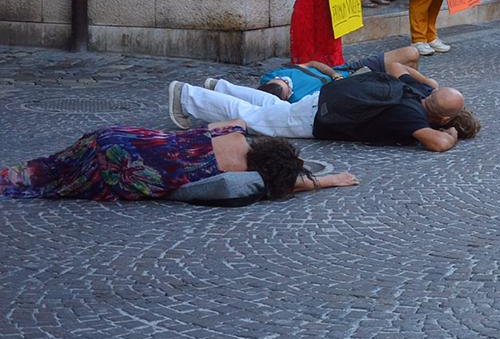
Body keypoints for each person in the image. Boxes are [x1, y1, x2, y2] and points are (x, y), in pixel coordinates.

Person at [1, 124, 357, 204]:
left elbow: (210, 127)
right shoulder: (236, 176)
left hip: (117, 137)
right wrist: (330, 180)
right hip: (119, 170)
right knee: (51, 186)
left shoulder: (233, 133)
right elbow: (283, 187)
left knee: (42, 168)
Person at [170, 71, 478, 151]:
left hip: (325, 99)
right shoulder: (411, 116)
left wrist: (430, 83)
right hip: (319, 117)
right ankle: (187, 97)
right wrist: (448, 134)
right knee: (258, 120)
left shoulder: (419, 92)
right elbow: (437, 144)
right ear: (443, 118)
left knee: (273, 106)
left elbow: (397, 68)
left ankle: (219, 88)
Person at [251, 45, 433, 103]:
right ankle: (420, 98)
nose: (288, 85)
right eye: (287, 90)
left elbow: (313, 63)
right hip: (356, 83)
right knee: (398, 67)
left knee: (411, 53)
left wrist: (334, 74)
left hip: (345, 70)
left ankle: (421, 91)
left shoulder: (272, 76)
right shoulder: (295, 101)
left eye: (285, 82)